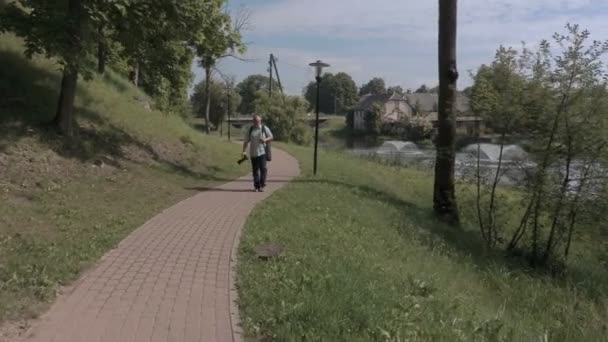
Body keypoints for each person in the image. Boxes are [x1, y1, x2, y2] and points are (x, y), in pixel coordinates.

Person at [242, 114, 273, 192]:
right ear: (253, 121)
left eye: (258, 121)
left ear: (260, 121)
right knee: (255, 171)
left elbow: (271, 136)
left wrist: (265, 140)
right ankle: (256, 186)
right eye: (255, 121)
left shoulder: (264, 128)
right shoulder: (250, 129)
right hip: (253, 153)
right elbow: (246, 141)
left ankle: (262, 185)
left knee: (263, 169)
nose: (257, 122)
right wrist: (243, 151)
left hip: (262, 152)